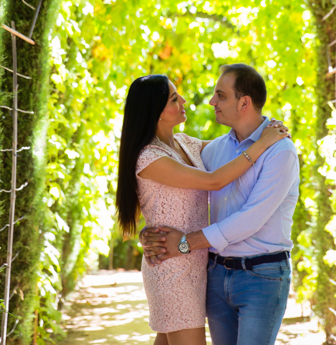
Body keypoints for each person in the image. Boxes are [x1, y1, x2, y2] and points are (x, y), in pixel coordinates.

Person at [115, 74, 288, 345]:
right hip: (171, 268)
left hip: (196, 265)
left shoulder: (185, 143)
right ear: (156, 112)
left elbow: (231, 148)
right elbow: (215, 180)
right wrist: (262, 143)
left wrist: (265, 130)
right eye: (174, 98)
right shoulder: (149, 157)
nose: (183, 100)